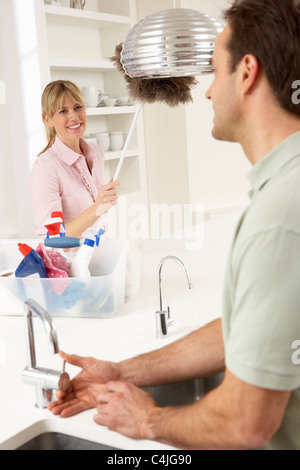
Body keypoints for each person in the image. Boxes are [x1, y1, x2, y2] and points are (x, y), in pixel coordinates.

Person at [48, 0, 300, 450]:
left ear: (246, 73)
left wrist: (148, 419)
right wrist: (124, 371)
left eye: (215, 71)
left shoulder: (279, 216)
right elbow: (245, 330)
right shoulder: (286, 184)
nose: (205, 92)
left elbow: (245, 424)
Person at [30, 80, 120, 238]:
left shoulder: (96, 153)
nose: (74, 116)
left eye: (78, 107)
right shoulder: (45, 167)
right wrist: (97, 207)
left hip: (102, 251)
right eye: (63, 111)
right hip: (72, 261)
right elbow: (52, 237)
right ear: (48, 119)